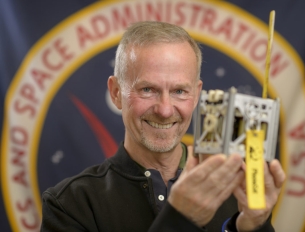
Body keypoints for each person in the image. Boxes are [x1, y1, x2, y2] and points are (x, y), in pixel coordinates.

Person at [41, 21, 285, 232]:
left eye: (179, 91)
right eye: (148, 89)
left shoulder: (240, 190)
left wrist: (253, 226)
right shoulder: (69, 205)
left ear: (197, 94)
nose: (165, 110)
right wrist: (181, 218)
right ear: (116, 93)